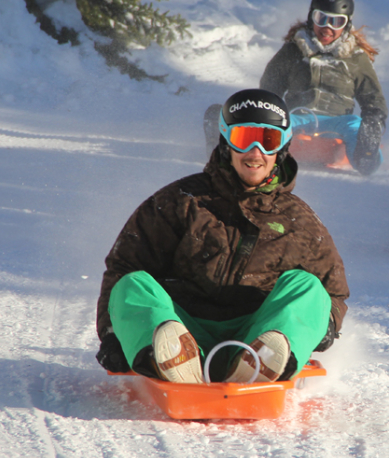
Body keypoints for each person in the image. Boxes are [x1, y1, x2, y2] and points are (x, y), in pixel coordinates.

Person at [95, 89, 348, 385]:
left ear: (282, 148)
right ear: (227, 142)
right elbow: (124, 266)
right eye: (244, 139)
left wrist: (323, 326)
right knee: (133, 283)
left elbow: (332, 293)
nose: (255, 153)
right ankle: (172, 356)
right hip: (183, 326)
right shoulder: (182, 200)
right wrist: (113, 335)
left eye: (268, 141)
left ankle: (262, 358)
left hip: (254, 331)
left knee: (307, 287)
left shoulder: (299, 221)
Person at [206, 0, 388, 176]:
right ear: (311, 18)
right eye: (321, 18)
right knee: (266, 129)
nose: (328, 27)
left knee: (355, 125)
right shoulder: (293, 50)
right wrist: (264, 118)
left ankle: (366, 157)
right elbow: (269, 89)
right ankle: (223, 144)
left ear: (347, 24)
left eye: (337, 21)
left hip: (338, 122)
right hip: (297, 118)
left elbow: (374, 100)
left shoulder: (356, 58)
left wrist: (372, 125)